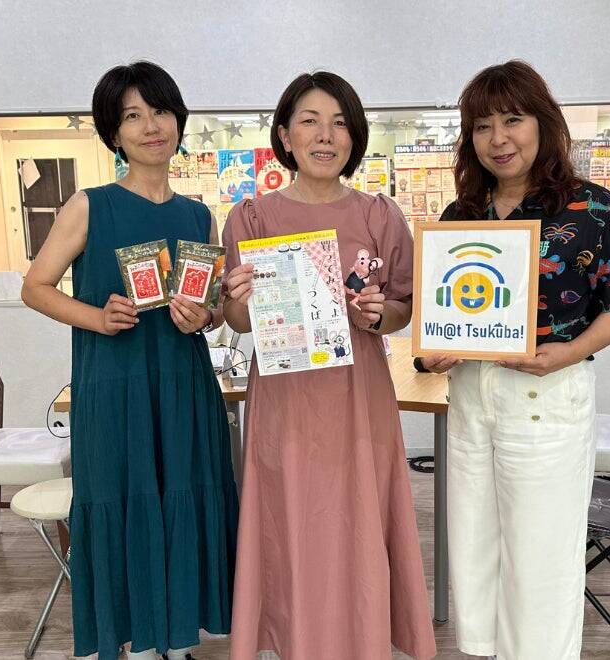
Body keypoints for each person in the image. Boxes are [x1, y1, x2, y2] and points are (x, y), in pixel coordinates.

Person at [420, 60, 610, 659]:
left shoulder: (590, 208)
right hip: (472, 399)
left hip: (548, 398)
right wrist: (435, 353)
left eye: (512, 120)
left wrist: (570, 352)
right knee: (475, 549)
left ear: (543, 123)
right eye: (482, 126)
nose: (498, 139)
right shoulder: (462, 215)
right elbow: (443, 309)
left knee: (541, 559)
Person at [21, 61, 237, 660]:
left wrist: (204, 317)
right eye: (133, 116)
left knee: (183, 496)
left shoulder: (197, 215)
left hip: (185, 386)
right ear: (113, 133)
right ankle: (138, 644)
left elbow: (212, 306)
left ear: (178, 121)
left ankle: (178, 638)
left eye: (160, 112)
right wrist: (96, 316)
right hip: (114, 387)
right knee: (128, 499)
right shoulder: (89, 206)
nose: (151, 127)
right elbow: (35, 287)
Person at [219, 71, 437, 660]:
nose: (325, 135)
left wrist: (377, 314)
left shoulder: (380, 215)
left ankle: (362, 639)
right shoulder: (250, 219)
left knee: (358, 517)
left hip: (358, 394)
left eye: (340, 123)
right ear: (284, 136)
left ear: (355, 136)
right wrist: (239, 299)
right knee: (290, 520)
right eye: (310, 122)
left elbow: (402, 309)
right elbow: (238, 321)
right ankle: (297, 641)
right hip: (285, 399)